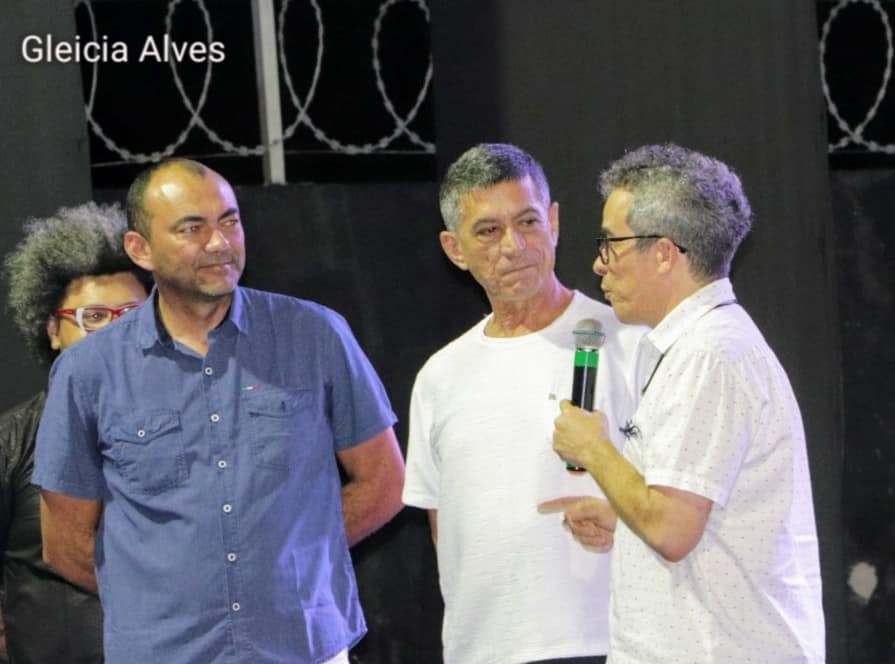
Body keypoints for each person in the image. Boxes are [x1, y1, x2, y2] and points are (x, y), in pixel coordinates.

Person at [32, 158, 406, 664]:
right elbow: (65, 543)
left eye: (229, 221)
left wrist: (295, 561)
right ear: (140, 248)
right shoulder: (87, 371)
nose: (218, 243)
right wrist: (158, 599)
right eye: (192, 228)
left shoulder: (315, 335)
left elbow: (384, 483)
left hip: (303, 645)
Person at [545, 143, 826, 662]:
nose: (598, 264)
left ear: (663, 254)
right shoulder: (703, 345)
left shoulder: (708, 355)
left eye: (609, 243)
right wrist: (624, 517)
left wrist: (594, 449)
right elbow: (695, 517)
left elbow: (671, 530)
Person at [402, 143, 643, 664]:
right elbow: (446, 526)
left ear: (554, 222)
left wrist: (623, 522)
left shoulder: (630, 341)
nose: (513, 246)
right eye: (488, 231)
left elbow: (683, 500)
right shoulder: (440, 377)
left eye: (528, 222)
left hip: (608, 641)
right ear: (454, 248)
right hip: (483, 650)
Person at [0, 202, 152, 663]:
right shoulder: (12, 442)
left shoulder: (201, 425)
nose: (115, 333)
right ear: (52, 330)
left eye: (132, 315)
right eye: (94, 317)